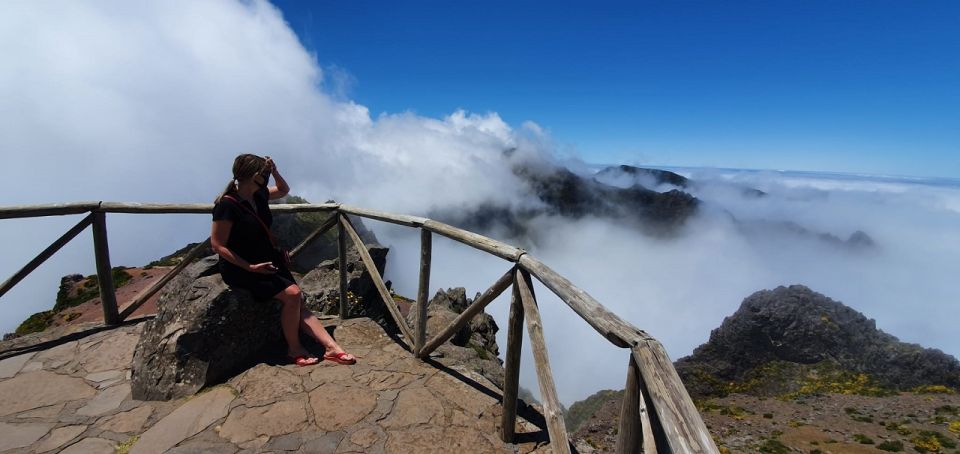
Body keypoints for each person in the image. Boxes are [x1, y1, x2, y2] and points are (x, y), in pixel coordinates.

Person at [211, 154, 356, 366]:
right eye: (264, 173)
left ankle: (332, 348)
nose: (267, 177)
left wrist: (276, 170)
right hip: (242, 268)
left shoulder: (258, 194)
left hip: (266, 261)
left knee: (298, 302)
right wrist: (250, 267)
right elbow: (217, 244)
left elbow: (283, 190)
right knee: (293, 294)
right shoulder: (226, 205)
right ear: (253, 175)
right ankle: (294, 349)